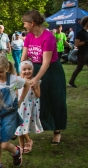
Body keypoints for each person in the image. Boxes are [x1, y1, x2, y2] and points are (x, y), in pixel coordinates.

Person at [21, 9, 67, 145]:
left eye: (25, 23)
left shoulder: (48, 37)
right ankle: (24, 128)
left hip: (52, 71)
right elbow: (24, 58)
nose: (24, 25)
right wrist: (21, 76)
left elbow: (46, 63)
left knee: (55, 99)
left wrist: (36, 79)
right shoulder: (29, 37)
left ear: (32, 23)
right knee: (33, 100)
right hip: (34, 68)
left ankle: (57, 131)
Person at [0, 54, 30, 168]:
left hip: (9, 114)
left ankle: (16, 151)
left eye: (1, 72)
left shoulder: (13, 79)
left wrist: (21, 100)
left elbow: (26, 84)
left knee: (4, 144)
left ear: (7, 68)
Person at [14, 61, 43, 154]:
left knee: (22, 126)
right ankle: (22, 147)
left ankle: (29, 141)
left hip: (30, 107)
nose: (27, 71)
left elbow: (38, 95)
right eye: (24, 69)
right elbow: (16, 93)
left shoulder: (36, 81)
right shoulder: (18, 81)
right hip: (20, 106)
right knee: (19, 126)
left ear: (32, 70)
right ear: (20, 71)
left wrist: (34, 88)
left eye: (29, 69)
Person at [68, 16, 88, 88]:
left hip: (87, 53)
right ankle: (71, 82)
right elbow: (77, 44)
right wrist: (85, 42)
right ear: (86, 23)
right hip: (82, 54)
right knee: (79, 68)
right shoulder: (81, 33)